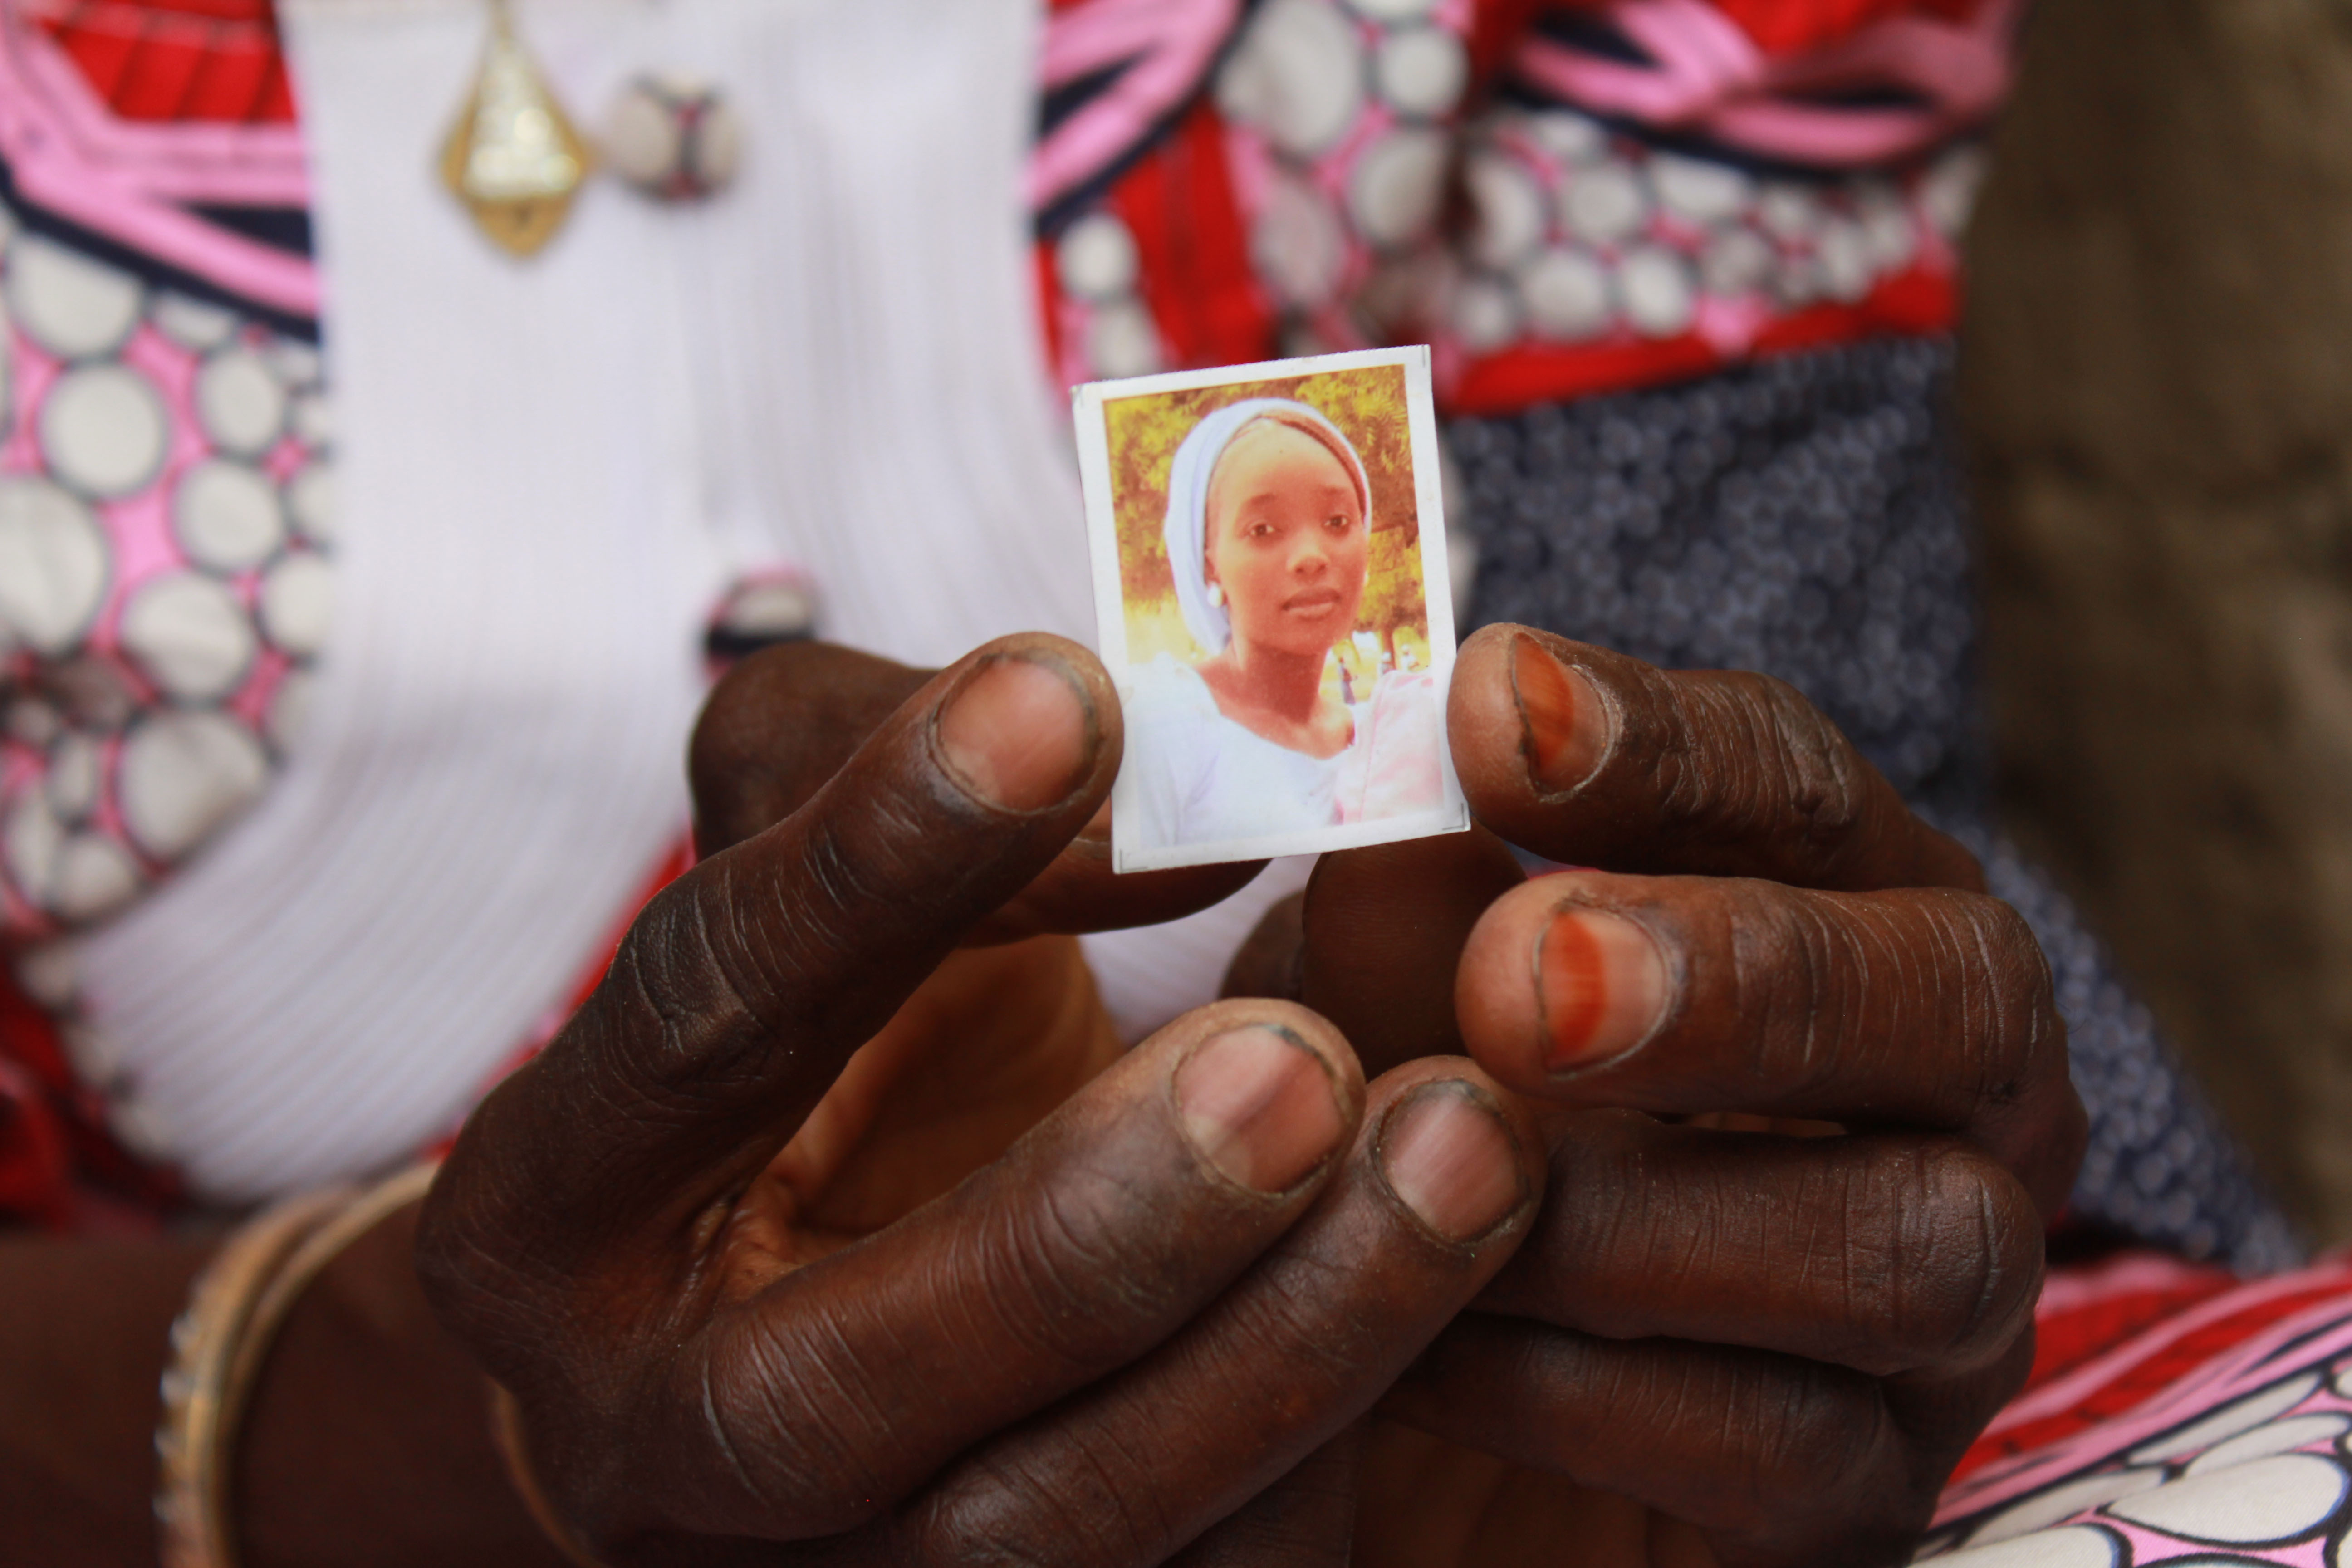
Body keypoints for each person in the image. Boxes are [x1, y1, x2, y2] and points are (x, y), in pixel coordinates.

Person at [0, 0, 2317, 1563]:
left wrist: (1785, 1186)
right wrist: (365, 1410)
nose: (1313, 562)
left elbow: (1778, 819)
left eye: (1329, 527)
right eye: (1268, 532)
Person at [1124, 398, 1444, 851]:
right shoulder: (1165, 720)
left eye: (1337, 521)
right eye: (1263, 530)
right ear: (1210, 566)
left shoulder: (1384, 732)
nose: (1312, 557)